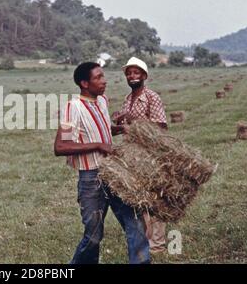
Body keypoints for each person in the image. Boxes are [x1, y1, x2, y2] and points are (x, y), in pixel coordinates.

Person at [54, 62, 150, 264]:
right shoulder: (74, 107)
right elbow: (61, 147)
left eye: (103, 76)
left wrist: (119, 129)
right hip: (91, 179)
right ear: (84, 83)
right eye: (98, 77)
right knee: (93, 237)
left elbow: (103, 129)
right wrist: (98, 145)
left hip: (115, 173)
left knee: (136, 222)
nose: (104, 81)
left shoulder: (102, 101)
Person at [114, 57, 168, 254]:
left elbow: (160, 126)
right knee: (140, 198)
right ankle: (146, 240)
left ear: (144, 76)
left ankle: (158, 245)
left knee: (155, 198)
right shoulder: (128, 99)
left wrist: (133, 120)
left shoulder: (152, 97)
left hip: (150, 152)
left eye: (136, 73)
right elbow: (125, 126)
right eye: (129, 73)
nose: (132, 76)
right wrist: (120, 121)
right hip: (132, 154)